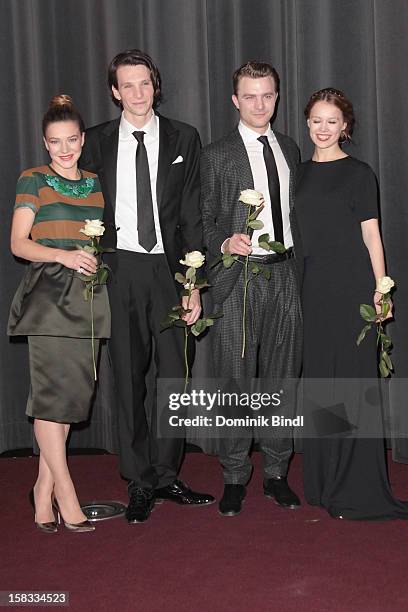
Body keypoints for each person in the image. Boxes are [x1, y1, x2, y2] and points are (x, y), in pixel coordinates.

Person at [80, 49, 214, 523]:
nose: (138, 93)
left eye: (145, 83)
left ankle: (165, 473)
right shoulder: (94, 142)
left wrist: (194, 283)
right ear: (115, 91)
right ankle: (138, 480)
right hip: (119, 271)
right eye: (128, 85)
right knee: (128, 377)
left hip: (170, 271)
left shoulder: (185, 138)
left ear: (156, 86)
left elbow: (194, 215)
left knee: (175, 378)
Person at [295, 87, 408, 520]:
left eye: (332, 121)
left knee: (354, 384)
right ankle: (325, 481)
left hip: (352, 289)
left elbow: (371, 236)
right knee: (323, 384)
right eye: (316, 120)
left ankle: (357, 484)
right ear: (307, 122)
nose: (323, 129)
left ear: (345, 126)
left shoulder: (360, 173)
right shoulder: (298, 174)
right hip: (311, 291)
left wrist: (382, 289)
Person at [201, 61, 302, 516]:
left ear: (276, 98)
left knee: (283, 377)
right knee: (235, 381)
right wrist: (225, 240)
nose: (260, 104)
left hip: (285, 274)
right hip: (239, 276)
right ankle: (235, 475)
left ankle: (278, 471)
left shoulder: (291, 149)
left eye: (268, 95)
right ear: (235, 101)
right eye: (250, 96)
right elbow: (201, 221)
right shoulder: (217, 154)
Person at [8, 95, 110, 532]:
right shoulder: (33, 179)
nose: (65, 149)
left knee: (71, 400)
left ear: (82, 140)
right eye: (56, 143)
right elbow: (18, 244)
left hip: (89, 298)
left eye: (71, 140)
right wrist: (63, 257)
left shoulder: (95, 183)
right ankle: (66, 494)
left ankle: (41, 490)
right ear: (45, 144)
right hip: (49, 296)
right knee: (52, 398)